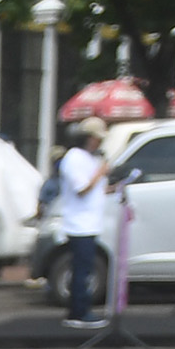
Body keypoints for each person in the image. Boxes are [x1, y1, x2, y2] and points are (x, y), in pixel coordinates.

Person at [49, 125, 110, 324]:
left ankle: (82, 309)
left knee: (85, 267)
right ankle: (78, 312)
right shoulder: (74, 158)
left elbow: (95, 189)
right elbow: (81, 189)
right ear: (87, 138)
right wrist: (100, 173)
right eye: (96, 138)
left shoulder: (89, 158)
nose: (98, 143)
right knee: (81, 269)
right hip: (79, 223)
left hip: (90, 222)